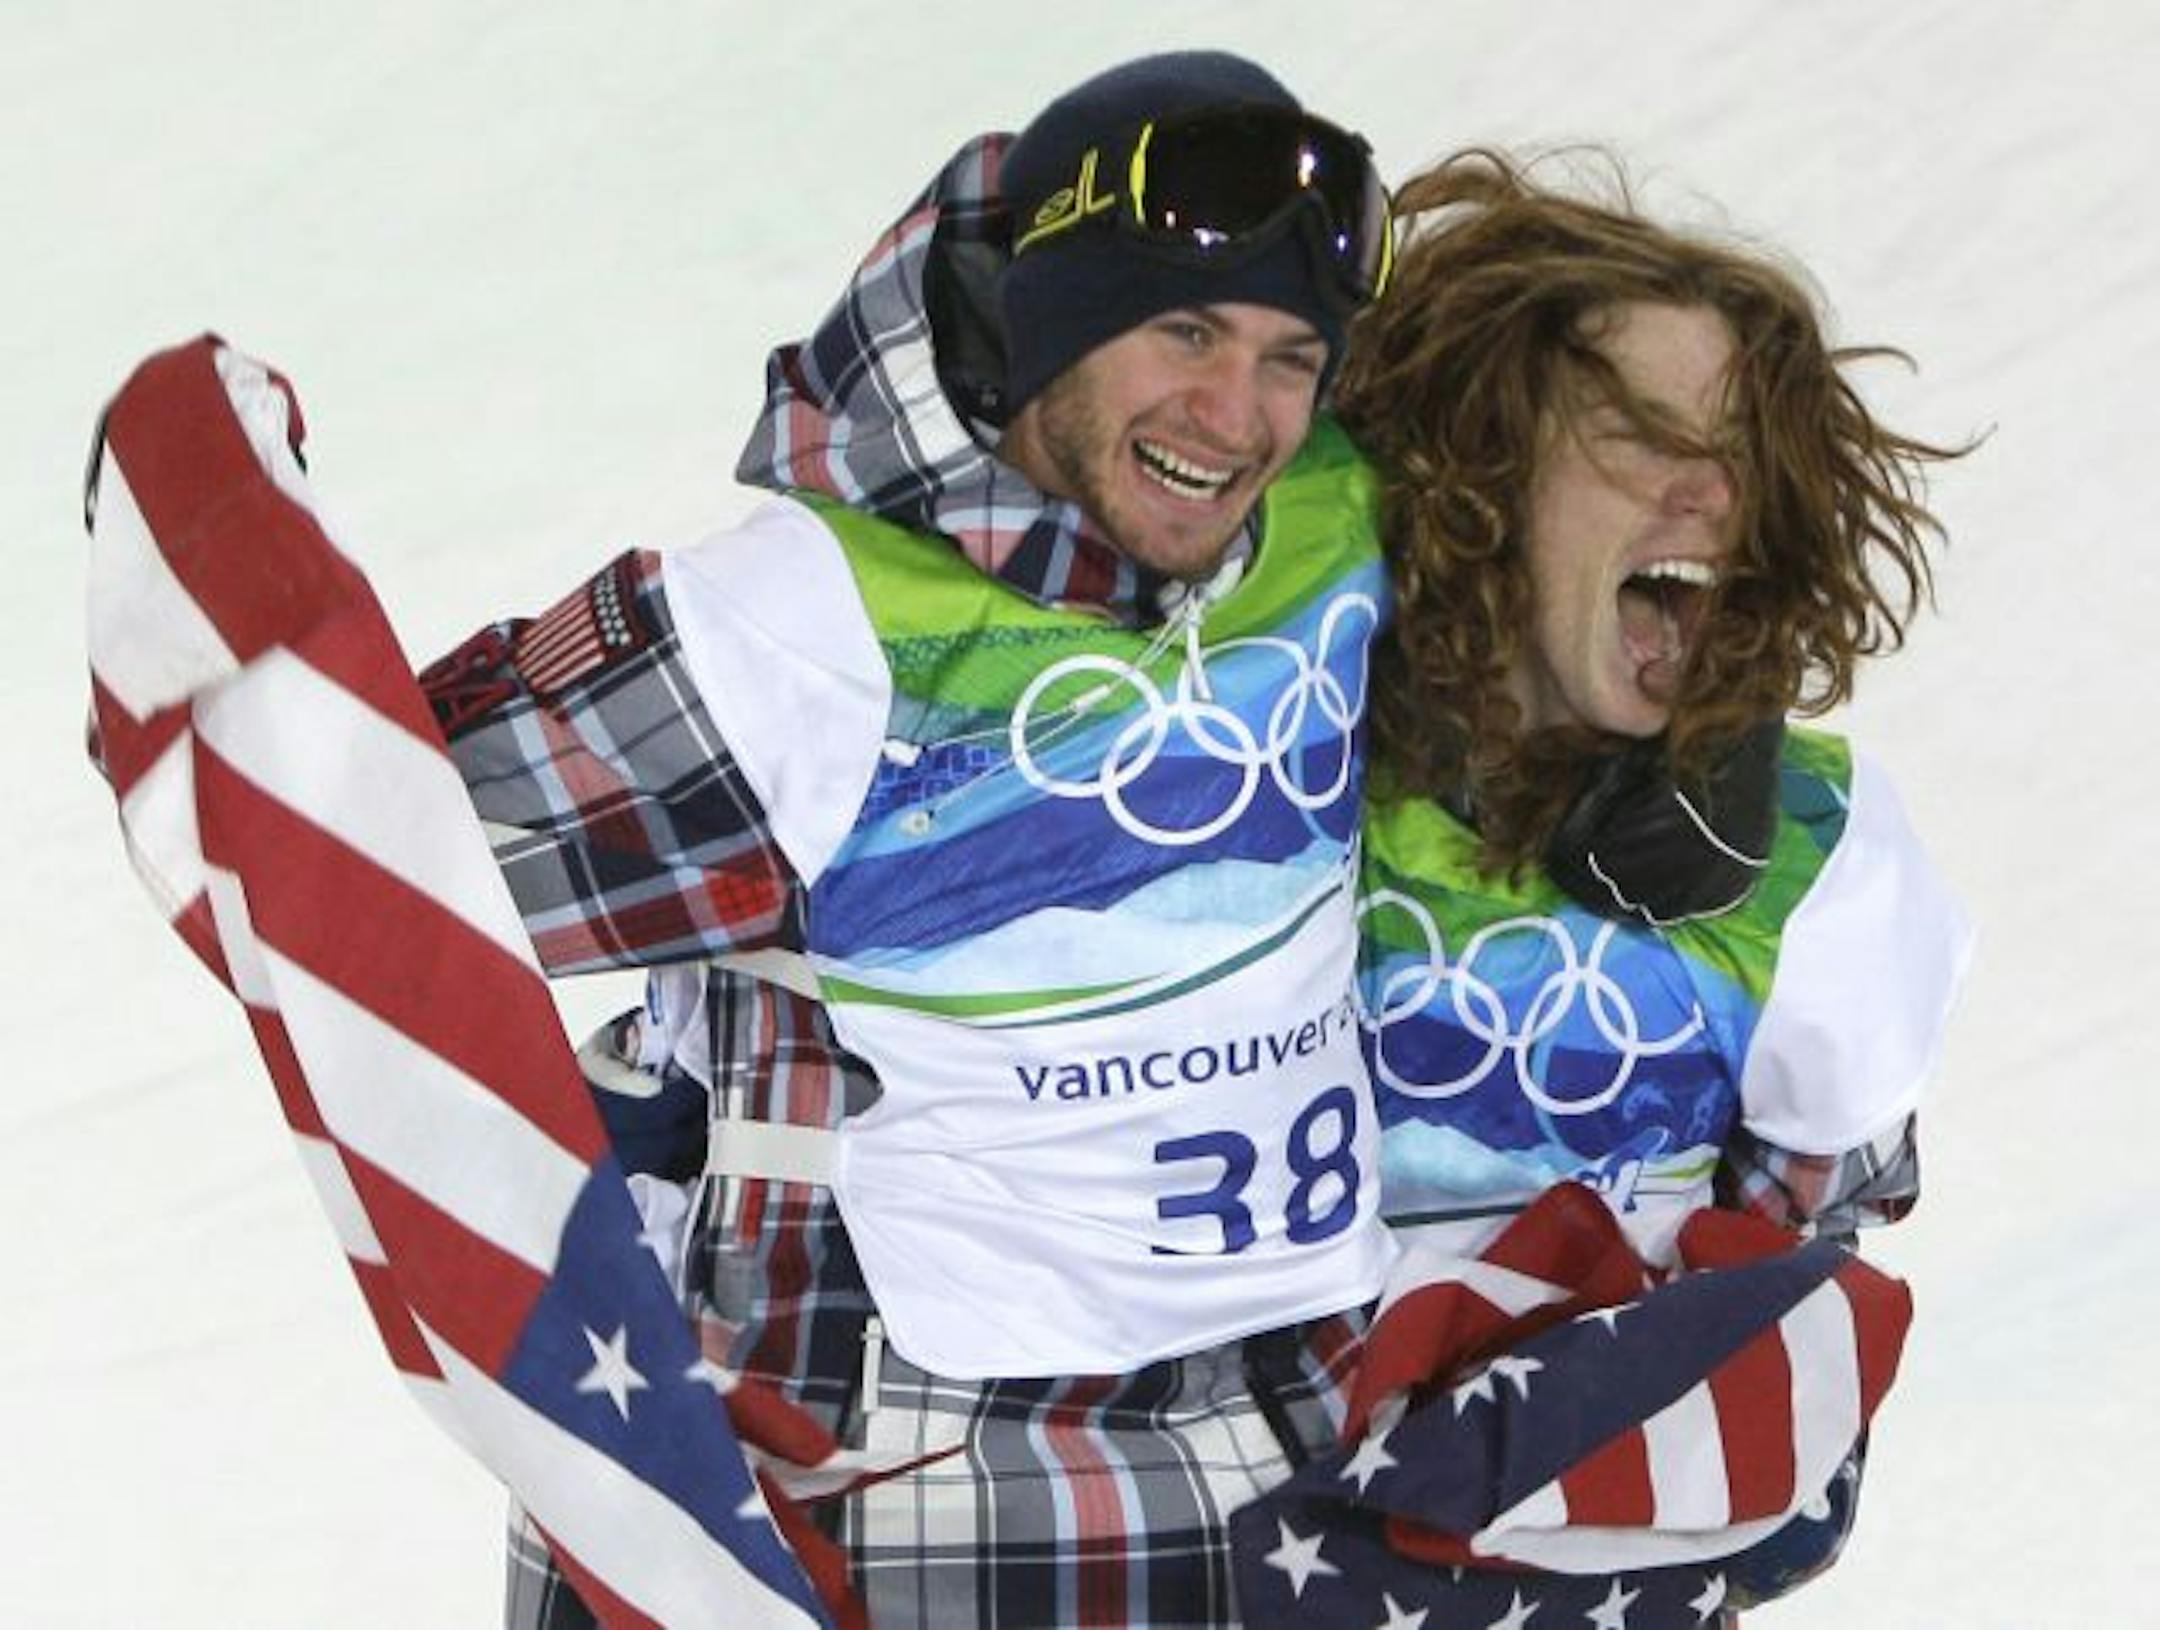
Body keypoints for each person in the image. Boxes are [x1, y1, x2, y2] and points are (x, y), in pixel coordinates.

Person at [413, 50, 1404, 1630]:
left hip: (1289, 1453)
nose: (1237, 416)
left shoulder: (1334, 521)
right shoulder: (804, 626)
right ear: (1054, 320)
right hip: (926, 1474)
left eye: (1291, 356)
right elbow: (393, 844)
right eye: (1184, 332)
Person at [1285, 146, 1971, 1618]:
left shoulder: (1814, 859)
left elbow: (1792, 1285)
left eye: (1746, 454)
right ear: (1476, 472)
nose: (1715, 490)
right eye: (1641, 438)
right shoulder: (1252, 765)